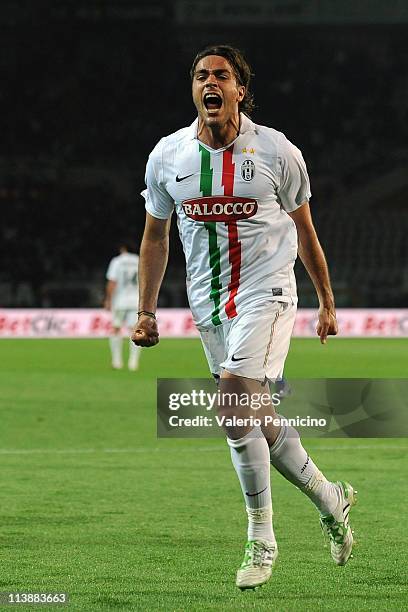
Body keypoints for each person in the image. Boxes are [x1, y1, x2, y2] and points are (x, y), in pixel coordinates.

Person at [132, 45, 356, 590]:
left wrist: (326, 300)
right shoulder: (168, 156)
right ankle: (331, 500)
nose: (210, 82)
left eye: (222, 75)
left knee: (233, 403)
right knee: (253, 415)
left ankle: (261, 537)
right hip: (209, 305)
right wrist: (145, 311)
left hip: (268, 293)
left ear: (240, 91)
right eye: (201, 75)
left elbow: (306, 231)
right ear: (194, 90)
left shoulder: (277, 152)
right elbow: (155, 237)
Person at [104, 241, 141, 371]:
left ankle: (117, 361)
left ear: (122, 248)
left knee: (116, 329)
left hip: (120, 300)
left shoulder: (117, 261)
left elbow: (112, 282)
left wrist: (108, 299)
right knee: (135, 331)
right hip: (136, 300)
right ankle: (133, 362)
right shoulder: (139, 260)